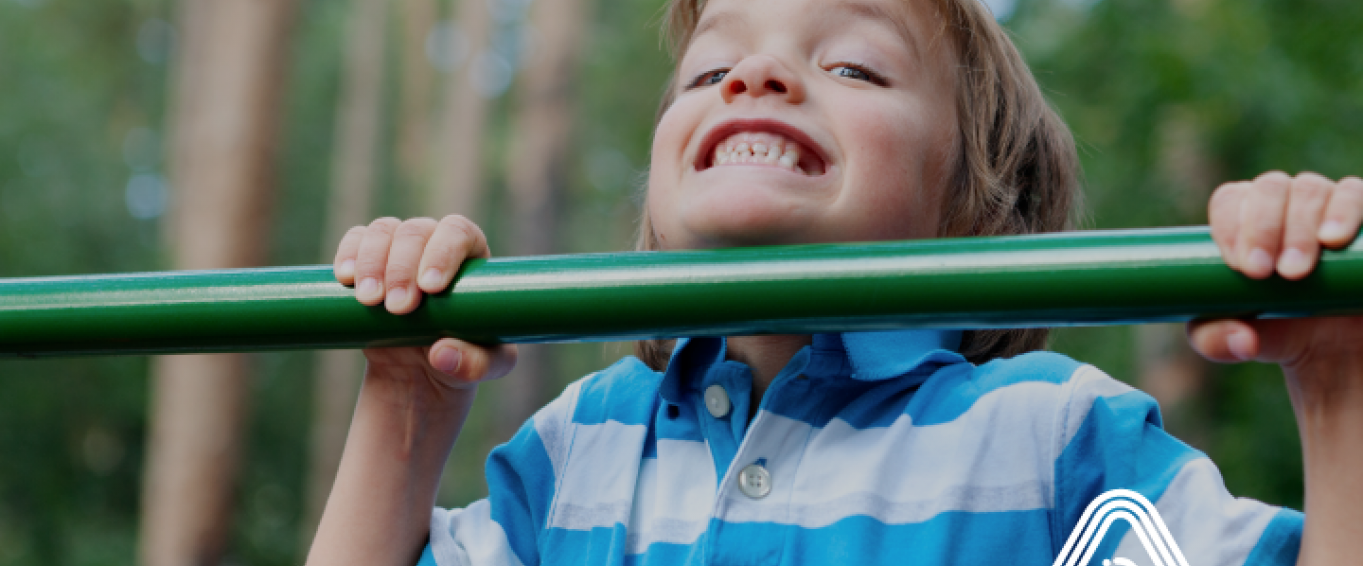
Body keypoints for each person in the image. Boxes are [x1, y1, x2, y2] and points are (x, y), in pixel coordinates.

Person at [304, 0, 1363, 564]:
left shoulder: (1050, 440)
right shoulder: (579, 449)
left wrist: (1340, 385)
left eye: (851, 66)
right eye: (709, 72)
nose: (754, 78)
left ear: (979, 202)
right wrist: (408, 394)